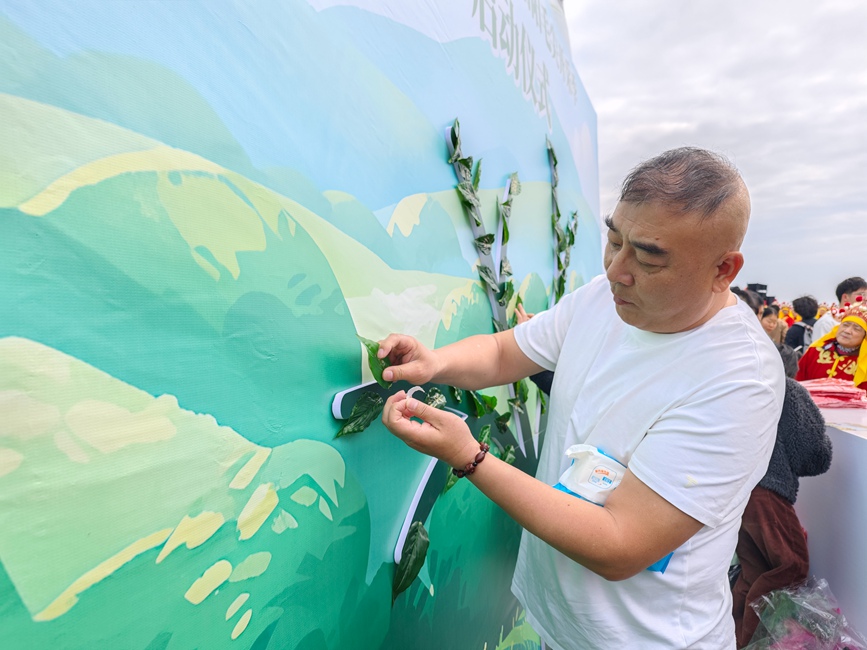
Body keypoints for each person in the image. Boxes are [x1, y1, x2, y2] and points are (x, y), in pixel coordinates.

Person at [378, 147, 784, 648]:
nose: (617, 270)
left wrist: (470, 457)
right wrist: (435, 361)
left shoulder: (738, 379)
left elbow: (620, 544)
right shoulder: (603, 298)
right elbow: (507, 352)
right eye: (614, 240)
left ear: (724, 269)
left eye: (649, 257)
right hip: (563, 626)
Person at [731, 346, 832, 647]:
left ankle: (731, 638)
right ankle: (750, 642)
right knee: (791, 567)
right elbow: (812, 452)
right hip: (767, 490)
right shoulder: (789, 390)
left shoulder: (734, 385)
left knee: (754, 571)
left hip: (735, 489)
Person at [795, 302, 867, 391]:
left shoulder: (865, 362)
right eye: (845, 325)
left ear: (865, 336)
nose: (847, 331)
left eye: (856, 328)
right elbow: (796, 383)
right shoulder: (815, 351)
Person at [812, 276, 867, 341]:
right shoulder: (827, 322)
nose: (865, 299)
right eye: (861, 294)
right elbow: (819, 349)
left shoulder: (863, 319)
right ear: (845, 297)